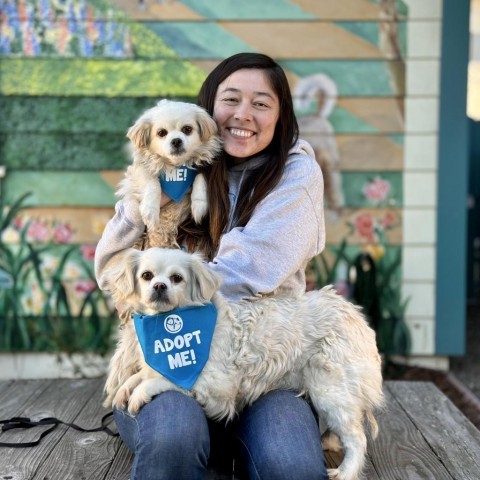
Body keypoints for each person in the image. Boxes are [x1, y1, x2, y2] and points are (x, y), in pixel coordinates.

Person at [95, 52, 328, 480]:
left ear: (281, 116)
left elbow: (250, 270)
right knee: (173, 440)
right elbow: (111, 269)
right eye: (231, 99)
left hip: (263, 368)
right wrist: (143, 206)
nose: (243, 114)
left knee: (289, 464)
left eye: (261, 103)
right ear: (208, 109)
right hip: (167, 355)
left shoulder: (295, 174)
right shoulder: (174, 159)